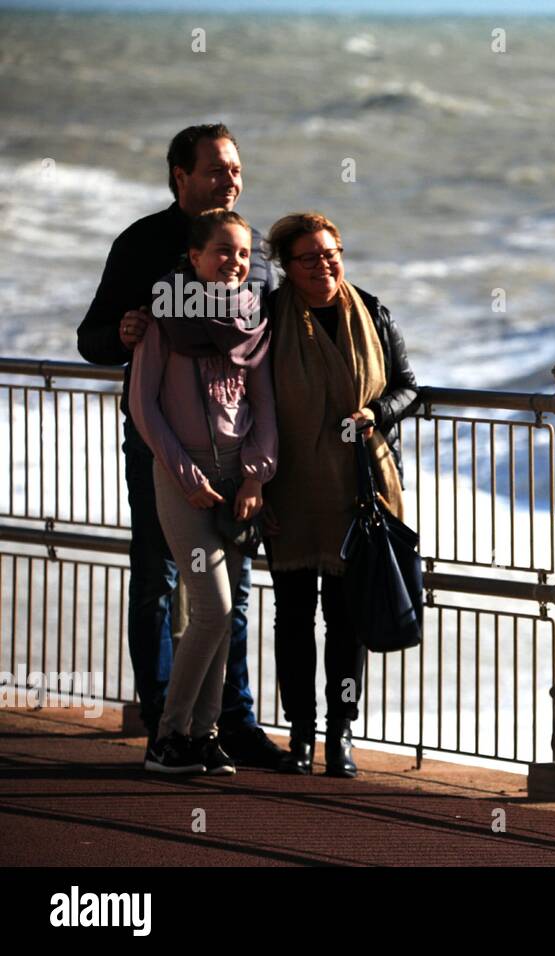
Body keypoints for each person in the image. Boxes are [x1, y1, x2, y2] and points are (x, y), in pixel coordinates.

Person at [78, 124, 285, 769]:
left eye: (236, 170)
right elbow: (93, 340)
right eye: (217, 170)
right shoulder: (143, 246)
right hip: (160, 449)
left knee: (235, 593)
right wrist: (125, 329)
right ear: (180, 177)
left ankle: (228, 723)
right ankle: (166, 722)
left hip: (233, 454)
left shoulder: (254, 260)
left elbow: (270, 362)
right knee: (159, 581)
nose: (231, 180)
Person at [261, 212, 417, 777]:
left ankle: (340, 734)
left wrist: (375, 413)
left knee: (347, 617)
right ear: (287, 266)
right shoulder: (268, 316)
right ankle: (300, 734)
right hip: (290, 485)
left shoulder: (371, 311)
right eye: (312, 257)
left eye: (333, 253)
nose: (326, 265)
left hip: (361, 484)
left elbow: (408, 386)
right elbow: (249, 399)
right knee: (293, 615)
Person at [130, 209, 277, 774]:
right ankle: (168, 738)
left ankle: (202, 735)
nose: (234, 262)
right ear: (194, 258)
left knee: (224, 611)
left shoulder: (251, 319)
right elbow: (146, 407)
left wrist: (256, 475)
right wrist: (186, 477)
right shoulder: (162, 320)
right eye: (222, 251)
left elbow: (264, 404)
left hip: (238, 484)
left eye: (243, 253)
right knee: (212, 610)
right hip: (184, 482)